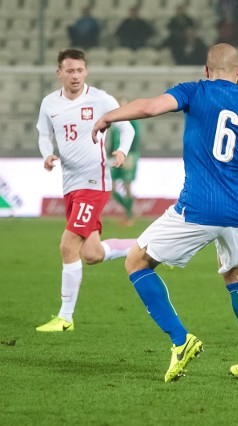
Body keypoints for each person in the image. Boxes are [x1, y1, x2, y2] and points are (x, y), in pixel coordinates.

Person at [91, 43, 238, 382]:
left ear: (207, 70)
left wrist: (110, 116)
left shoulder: (194, 91)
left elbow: (151, 107)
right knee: (235, 273)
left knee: (136, 261)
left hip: (198, 206)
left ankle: (181, 341)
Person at [35, 49, 137, 332]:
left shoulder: (101, 99)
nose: (75, 76)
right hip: (70, 184)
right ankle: (147, 245)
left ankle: (65, 317)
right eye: (70, 71)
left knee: (68, 245)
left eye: (80, 70)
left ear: (86, 71)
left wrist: (121, 150)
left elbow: (127, 128)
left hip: (94, 182)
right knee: (91, 253)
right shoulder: (49, 104)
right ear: (60, 73)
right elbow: (44, 134)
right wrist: (47, 155)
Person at [107, 97, 140, 226]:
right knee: (112, 188)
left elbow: (135, 139)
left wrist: (129, 155)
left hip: (129, 155)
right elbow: (112, 139)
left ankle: (129, 216)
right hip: (115, 156)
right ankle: (129, 209)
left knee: (127, 186)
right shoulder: (116, 122)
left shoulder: (133, 122)